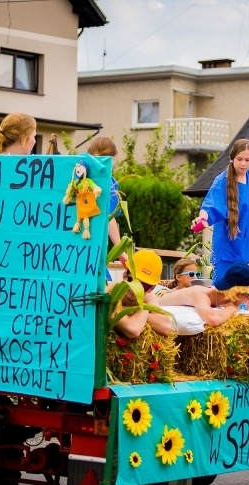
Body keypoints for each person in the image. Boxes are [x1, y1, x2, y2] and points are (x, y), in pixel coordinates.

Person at [192, 138, 249, 281]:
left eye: (247, 159)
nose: (243, 163)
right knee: (225, 291)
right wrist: (202, 219)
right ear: (232, 158)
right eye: (239, 159)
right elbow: (210, 204)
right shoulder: (222, 180)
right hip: (228, 245)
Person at [157, 263, 249, 328]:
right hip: (158, 294)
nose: (247, 299)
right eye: (247, 296)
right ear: (236, 292)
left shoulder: (222, 299)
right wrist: (231, 309)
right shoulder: (200, 295)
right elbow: (213, 320)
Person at [107, 249, 174, 338]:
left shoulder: (148, 297)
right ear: (124, 276)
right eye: (133, 280)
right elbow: (132, 329)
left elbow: (166, 327)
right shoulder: (110, 293)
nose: (136, 288)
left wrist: (142, 309)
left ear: (151, 288)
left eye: (144, 285)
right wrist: (145, 308)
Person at [88, 137, 128, 268]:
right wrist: (120, 251)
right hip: (97, 244)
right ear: (113, 158)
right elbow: (109, 218)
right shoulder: (110, 183)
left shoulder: (78, 176)